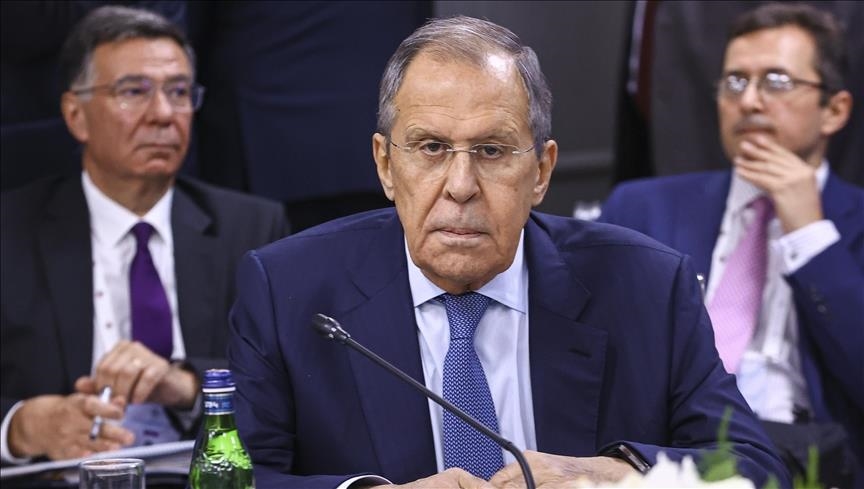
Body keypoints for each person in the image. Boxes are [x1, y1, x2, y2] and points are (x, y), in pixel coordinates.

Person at [228, 15, 789, 489]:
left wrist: (610, 474)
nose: (460, 186)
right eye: (431, 148)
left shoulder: (646, 284)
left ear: (541, 171)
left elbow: (756, 467)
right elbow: (238, 480)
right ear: (385, 165)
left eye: (492, 151)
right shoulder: (288, 290)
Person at [0, 5, 287, 463]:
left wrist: (188, 384)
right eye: (133, 91)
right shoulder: (11, 230)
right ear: (75, 115)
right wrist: (20, 426)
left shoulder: (251, 227)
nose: (163, 114)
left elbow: (287, 381)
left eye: (179, 92)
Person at [600, 3, 862, 486]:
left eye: (777, 82)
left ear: (834, 110)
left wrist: (810, 235)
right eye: (735, 82)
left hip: (811, 461)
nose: (750, 101)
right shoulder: (642, 208)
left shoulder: (855, 220)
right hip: (664, 456)